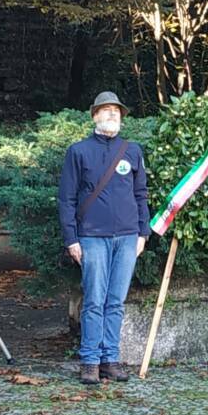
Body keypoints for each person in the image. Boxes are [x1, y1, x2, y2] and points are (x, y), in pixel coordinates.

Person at [59, 92, 150, 384]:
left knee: (116, 301)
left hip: (127, 237)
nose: (112, 115)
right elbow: (67, 199)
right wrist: (72, 239)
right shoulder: (78, 151)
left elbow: (141, 194)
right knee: (94, 301)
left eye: (116, 111)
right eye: (106, 110)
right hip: (92, 238)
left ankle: (110, 359)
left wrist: (143, 233)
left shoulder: (132, 151)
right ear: (95, 115)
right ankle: (89, 362)